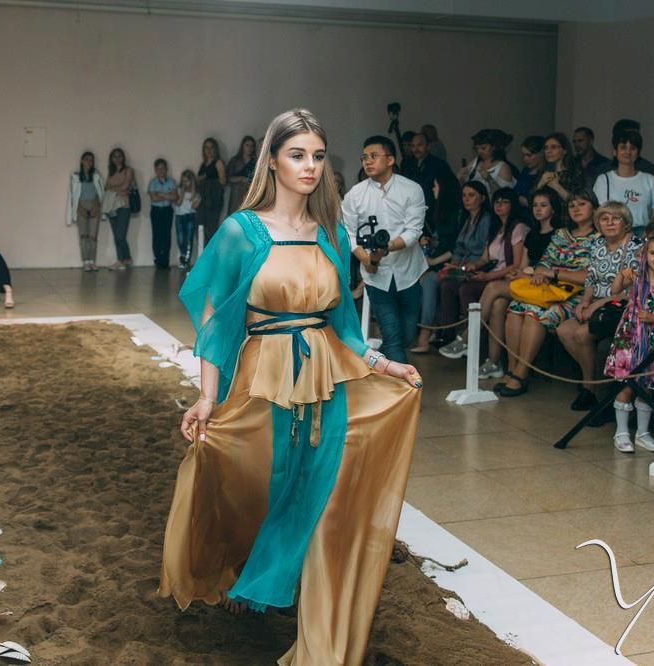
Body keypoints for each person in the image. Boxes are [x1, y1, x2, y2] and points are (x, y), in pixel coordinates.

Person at [159, 109, 423, 665]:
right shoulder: (242, 230)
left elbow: (344, 326)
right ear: (273, 161)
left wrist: (385, 364)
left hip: (327, 378)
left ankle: (321, 642)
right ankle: (247, 570)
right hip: (263, 375)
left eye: (318, 156)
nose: (310, 167)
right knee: (256, 482)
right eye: (297, 155)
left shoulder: (331, 233)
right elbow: (215, 316)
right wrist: (207, 396)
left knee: (326, 498)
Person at [497, 190, 598, 397]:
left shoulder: (599, 239)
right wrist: (540, 274)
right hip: (549, 290)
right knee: (515, 308)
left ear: (594, 208)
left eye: (582, 204)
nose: (576, 209)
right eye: (572, 205)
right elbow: (544, 262)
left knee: (535, 314)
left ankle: (521, 374)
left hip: (577, 296)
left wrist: (552, 274)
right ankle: (512, 368)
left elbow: (589, 276)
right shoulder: (561, 234)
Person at [342, 135, 427, 364]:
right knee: (392, 337)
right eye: (364, 158)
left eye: (373, 156)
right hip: (376, 277)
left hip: (408, 272)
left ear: (390, 160)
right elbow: (348, 233)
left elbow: (413, 231)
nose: (367, 162)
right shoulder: (355, 194)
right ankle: (402, 383)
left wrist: (385, 248)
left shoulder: (412, 189)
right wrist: (367, 259)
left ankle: (387, 366)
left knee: (407, 335)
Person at [558, 201, 643, 411]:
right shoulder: (597, 244)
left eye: (616, 218)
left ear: (626, 222)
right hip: (595, 304)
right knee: (564, 329)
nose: (610, 223)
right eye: (604, 219)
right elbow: (591, 279)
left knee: (581, 334)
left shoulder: (636, 246)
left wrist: (596, 305)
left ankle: (591, 391)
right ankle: (594, 385)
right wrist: (585, 301)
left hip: (620, 306)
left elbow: (631, 290)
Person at [603, 232, 654, 452]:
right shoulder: (637, 278)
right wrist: (622, 275)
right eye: (653, 253)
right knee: (628, 385)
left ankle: (643, 433)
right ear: (645, 255)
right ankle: (621, 432)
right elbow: (615, 290)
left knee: (648, 387)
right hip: (630, 340)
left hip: (653, 341)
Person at [477, 187, 562, 378]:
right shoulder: (532, 234)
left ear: (553, 209)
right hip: (528, 283)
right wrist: (517, 273)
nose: (538, 209)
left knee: (493, 286)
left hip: (546, 285)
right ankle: (496, 362)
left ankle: (468, 336)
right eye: (535, 205)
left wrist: (529, 273)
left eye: (543, 205)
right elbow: (523, 266)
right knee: (498, 304)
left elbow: (555, 266)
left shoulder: (560, 235)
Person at [438, 187, 528, 359]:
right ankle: (461, 338)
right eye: (497, 202)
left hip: (505, 278)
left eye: (504, 202)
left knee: (467, 289)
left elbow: (516, 265)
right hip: (491, 275)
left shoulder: (518, 228)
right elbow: (485, 258)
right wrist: (472, 265)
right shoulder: (496, 227)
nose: (499, 205)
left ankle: (469, 339)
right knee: (456, 284)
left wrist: (488, 276)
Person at [427, 181, 493, 348]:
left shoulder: (486, 220)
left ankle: (467, 336)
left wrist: (461, 267)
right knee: (444, 282)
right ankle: (445, 331)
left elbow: (484, 252)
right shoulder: (466, 219)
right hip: (461, 267)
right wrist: (453, 265)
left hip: (476, 267)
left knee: (454, 286)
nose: (466, 199)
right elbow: (458, 249)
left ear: (482, 198)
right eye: (464, 195)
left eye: (471, 195)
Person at [411, 167, 463, 353]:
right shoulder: (440, 212)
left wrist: (433, 262)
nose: (433, 189)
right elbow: (444, 241)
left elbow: (454, 247)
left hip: (449, 264)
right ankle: (424, 329)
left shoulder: (456, 214)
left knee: (428, 281)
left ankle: (426, 333)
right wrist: (431, 242)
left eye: (435, 186)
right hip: (437, 260)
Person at [592, 131, 654, 234]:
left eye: (633, 148)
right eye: (623, 147)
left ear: (638, 153)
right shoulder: (603, 180)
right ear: (615, 151)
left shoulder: (650, 180)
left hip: (643, 235)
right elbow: (600, 212)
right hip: (613, 234)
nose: (628, 152)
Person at [67, 151, 104, 272]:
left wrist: (96, 205)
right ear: (82, 161)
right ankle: (86, 261)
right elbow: (73, 196)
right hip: (81, 207)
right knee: (83, 236)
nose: (89, 162)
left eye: (91, 160)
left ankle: (92, 261)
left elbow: (100, 193)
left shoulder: (96, 175)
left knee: (93, 236)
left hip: (94, 206)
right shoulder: (76, 176)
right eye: (87, 159)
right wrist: (79, 208)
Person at [401, 131, 454, 214]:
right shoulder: (407, 163)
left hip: (432, 209)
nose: (416, 149)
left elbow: (447, 188)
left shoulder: (439, 164)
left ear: (428, 146)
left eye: (419, 145)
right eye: (413, 146)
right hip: (412, 209)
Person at [102, 147, 134, 271]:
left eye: (119, 156)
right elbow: (106, 188)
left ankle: (127, 258)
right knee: (116, 236)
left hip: (123, 206)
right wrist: (118, 190)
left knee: (121, 235)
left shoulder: (128, 170)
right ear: (111, 159)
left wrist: (113, 189)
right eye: (114, 156)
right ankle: (122, 260)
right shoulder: (111, 172)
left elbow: (125, 187)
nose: (117, 158)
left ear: (123, 157)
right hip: (111, 206)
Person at [457, 129, 516, 195]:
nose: (479, 152)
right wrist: (459, 177)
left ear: (494, 147)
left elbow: (507, 195)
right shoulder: (476, 161)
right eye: (477, 148)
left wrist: (490, 180)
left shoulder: (503, 167)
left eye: (483, 148)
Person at [147, 158, 178, 269]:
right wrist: (167, 195)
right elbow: (153, 198)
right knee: (157, 235)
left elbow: (174, 197)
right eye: (158, 168)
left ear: (166, 169)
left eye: (163, 168)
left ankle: (165, 261)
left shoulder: (172, 182)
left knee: (166, 236)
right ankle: (158, 259)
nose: (161, 170)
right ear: (155, 170)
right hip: (156, 211)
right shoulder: (153, 182)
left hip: (167, 210)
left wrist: (160, 194)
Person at [197, 137, 227, 244]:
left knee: (211, 228)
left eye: (211, 147)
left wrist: (206, 177)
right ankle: (204, 251)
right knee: (201, 227)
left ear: (215, 149)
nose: (209, 150)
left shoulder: (218, 162)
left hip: (213, 199)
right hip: (203, 199)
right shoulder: (203, 164)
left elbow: (223, 181)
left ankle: (212, 252)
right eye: (206, 148)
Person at [174, 169, 200, 270]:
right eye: (183, 180)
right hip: (179, 216)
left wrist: (194, 198)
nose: (184, 183)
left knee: (189, 239)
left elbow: (194, 206)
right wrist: (182, 193)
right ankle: (182, 257)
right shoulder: (179, 190)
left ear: (191, 181)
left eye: (186, 181)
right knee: (180, 239)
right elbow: (178, 203)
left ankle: (186, 261)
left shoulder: (196, 193)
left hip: (190, 216)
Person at [226, 135, 257, 215]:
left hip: (249, 193)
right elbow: (227, 178)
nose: (249, 148)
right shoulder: (234, 161)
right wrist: (241, 178)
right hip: (236, 193)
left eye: (252, 146)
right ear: (242, 146)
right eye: (247, 145)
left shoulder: (255, 162)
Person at [573, 126, 610, 191]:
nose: (577, 145)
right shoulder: (571, 163)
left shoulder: (604, 164)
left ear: (590, 141)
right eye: (574, 141)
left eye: (580, 141)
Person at [514, 135, 546, 207]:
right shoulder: (525, 170)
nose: (525, 159)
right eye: (523, 155)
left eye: (529, 155)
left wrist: (523, 201)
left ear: (541, 153)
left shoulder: (547, 175)